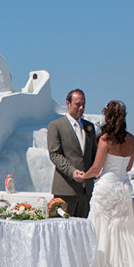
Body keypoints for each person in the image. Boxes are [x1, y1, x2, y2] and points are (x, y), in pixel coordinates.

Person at [79, 100, 134, 267]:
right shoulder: (132, 140)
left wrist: (82, 176)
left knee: (101, 232)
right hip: (123, 188)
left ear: (108, 117)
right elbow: (128, 168)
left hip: (107, 187)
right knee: (123, 234)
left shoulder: (105, 139)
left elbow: (96, 168)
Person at [48, 89, 98, 218]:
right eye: (78, 104)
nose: (81, 108)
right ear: (68, 103)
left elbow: (93, 154)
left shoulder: (90, 127)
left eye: (84, 105)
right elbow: (55, 154)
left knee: (82, 232)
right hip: (66, 189)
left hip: (86, 190)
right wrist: (72, 172)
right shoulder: (56, 126)